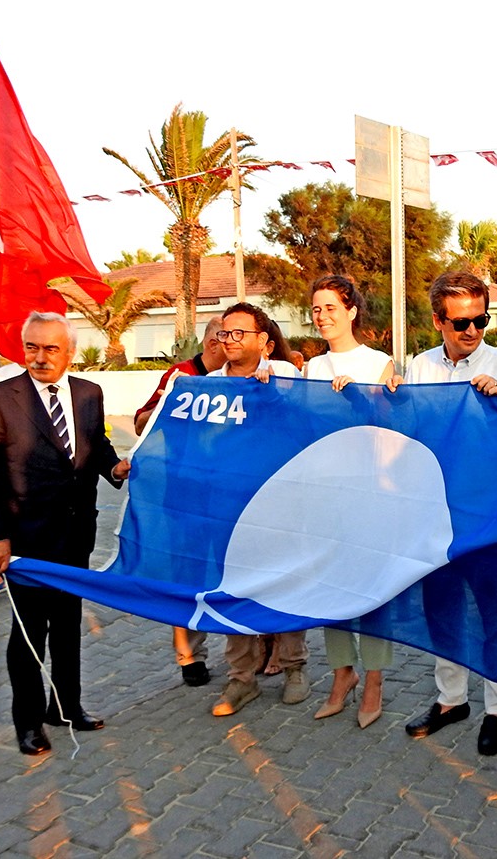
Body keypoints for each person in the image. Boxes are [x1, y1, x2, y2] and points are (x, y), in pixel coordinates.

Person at [0, 312, 131, 756]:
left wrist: (114, 467)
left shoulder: (89, 393)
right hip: (25, 538)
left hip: (76, 531)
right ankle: (27, 722)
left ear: (69, 352)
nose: (40, 358)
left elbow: (94, 445)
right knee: (28, 633)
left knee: (67, 625)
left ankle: (65, 707)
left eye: (50, 349)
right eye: (32, 348)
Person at [391, 271, 497, 755]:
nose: (471, 331)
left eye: (480, 320)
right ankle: (451, 700)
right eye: (460, 322)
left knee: (496, 609)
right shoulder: (420, 367)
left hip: (489, 509)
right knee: (442, 606)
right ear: (438, 321)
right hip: (434, 509)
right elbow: (408, 433)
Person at [206, 303, 310, 716]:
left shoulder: (286, 378)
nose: (228, 341)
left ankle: (295, 668)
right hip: (225, 507)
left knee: (285, 583)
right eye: (224, 334)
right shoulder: (208, 386)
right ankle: (241, 678)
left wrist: (276, 396)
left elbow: (307, 428)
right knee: (231, 588)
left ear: (264, 342)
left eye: (238, 334)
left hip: (278, 505)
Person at [303, 275, 395, 729]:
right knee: (330, 588)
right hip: (324, 492)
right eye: (316, 309)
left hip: (369, 493)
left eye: (331, 308)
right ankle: (343, 675)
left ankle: (374, 680)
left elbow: (386, 428)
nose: (322, 316)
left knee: (371, 590)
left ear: (352, 311)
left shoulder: (379, 362)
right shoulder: (310, 369)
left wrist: (356, 400)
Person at [133, 316, 224, 688]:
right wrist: (172, 406)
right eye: (225, 337)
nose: (231, 344)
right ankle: (190, 656)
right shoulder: (181, 375)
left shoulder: (245, 378)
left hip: (229, 496)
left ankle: (251, 652)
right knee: (186, 573)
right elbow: (140, 422)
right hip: (185, 494)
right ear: (211, 343)